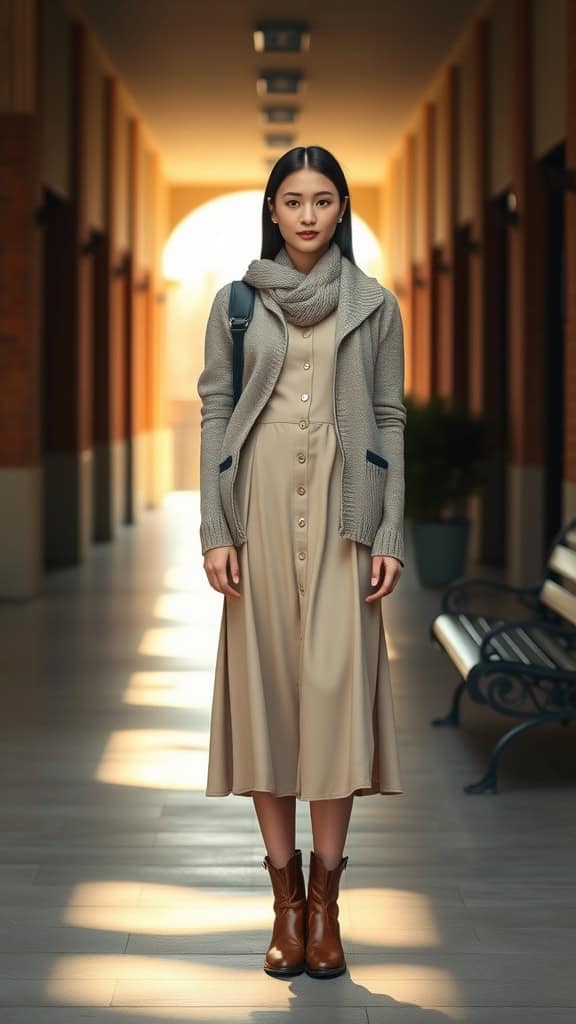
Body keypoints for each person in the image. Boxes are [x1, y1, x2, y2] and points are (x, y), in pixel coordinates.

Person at [197, 145, 406, 980]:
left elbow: (389, 417)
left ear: (344, 208)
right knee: (268, 701)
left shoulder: (376, 306)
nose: (309, 215)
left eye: (324, 200)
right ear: (273, 210)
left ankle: (328, 902)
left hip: (344, 516)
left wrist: (387, 533)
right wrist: (215, 527)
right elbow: (216, 412)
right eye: (294, 200)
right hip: (257, 513)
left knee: (332, 697)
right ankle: (284, 904)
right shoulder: (236, 305)